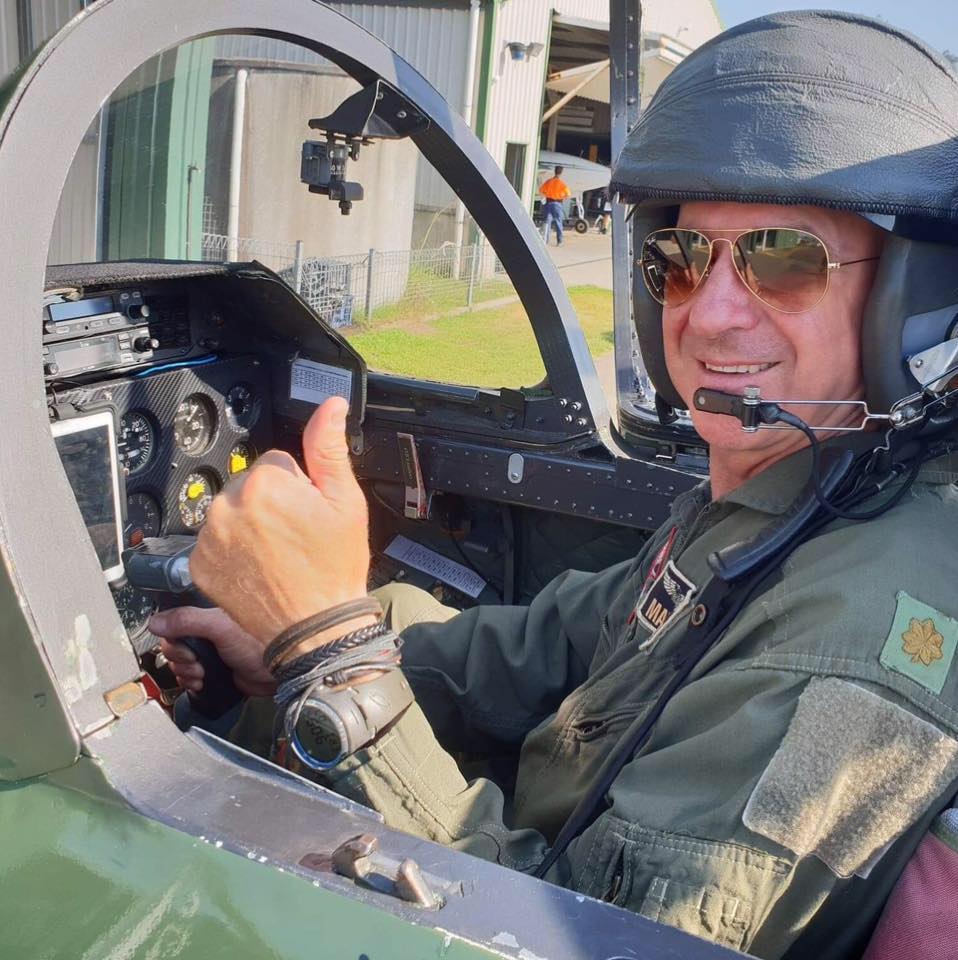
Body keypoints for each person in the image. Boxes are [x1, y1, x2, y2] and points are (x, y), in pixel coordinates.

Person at [152, 12, 958, 959]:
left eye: (784, 258)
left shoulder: (856, 630)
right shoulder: (796, 488)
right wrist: (298, 639)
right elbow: (555, 642)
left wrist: (332, 656)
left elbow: (581, 946)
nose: (711, 315)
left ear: (910, 301)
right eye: (682, 259)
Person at [539, 164, 570, 246]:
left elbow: (541, 190)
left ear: (554, 171)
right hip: (557, 204)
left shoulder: (548, 182)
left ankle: (545, 240)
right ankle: (559, 241)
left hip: (548, 203)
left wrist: (547, 195)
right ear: (561, 173)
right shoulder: (562, 183)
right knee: (558, 222)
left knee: (547, 222)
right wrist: (562, 197)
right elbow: (568, 194)